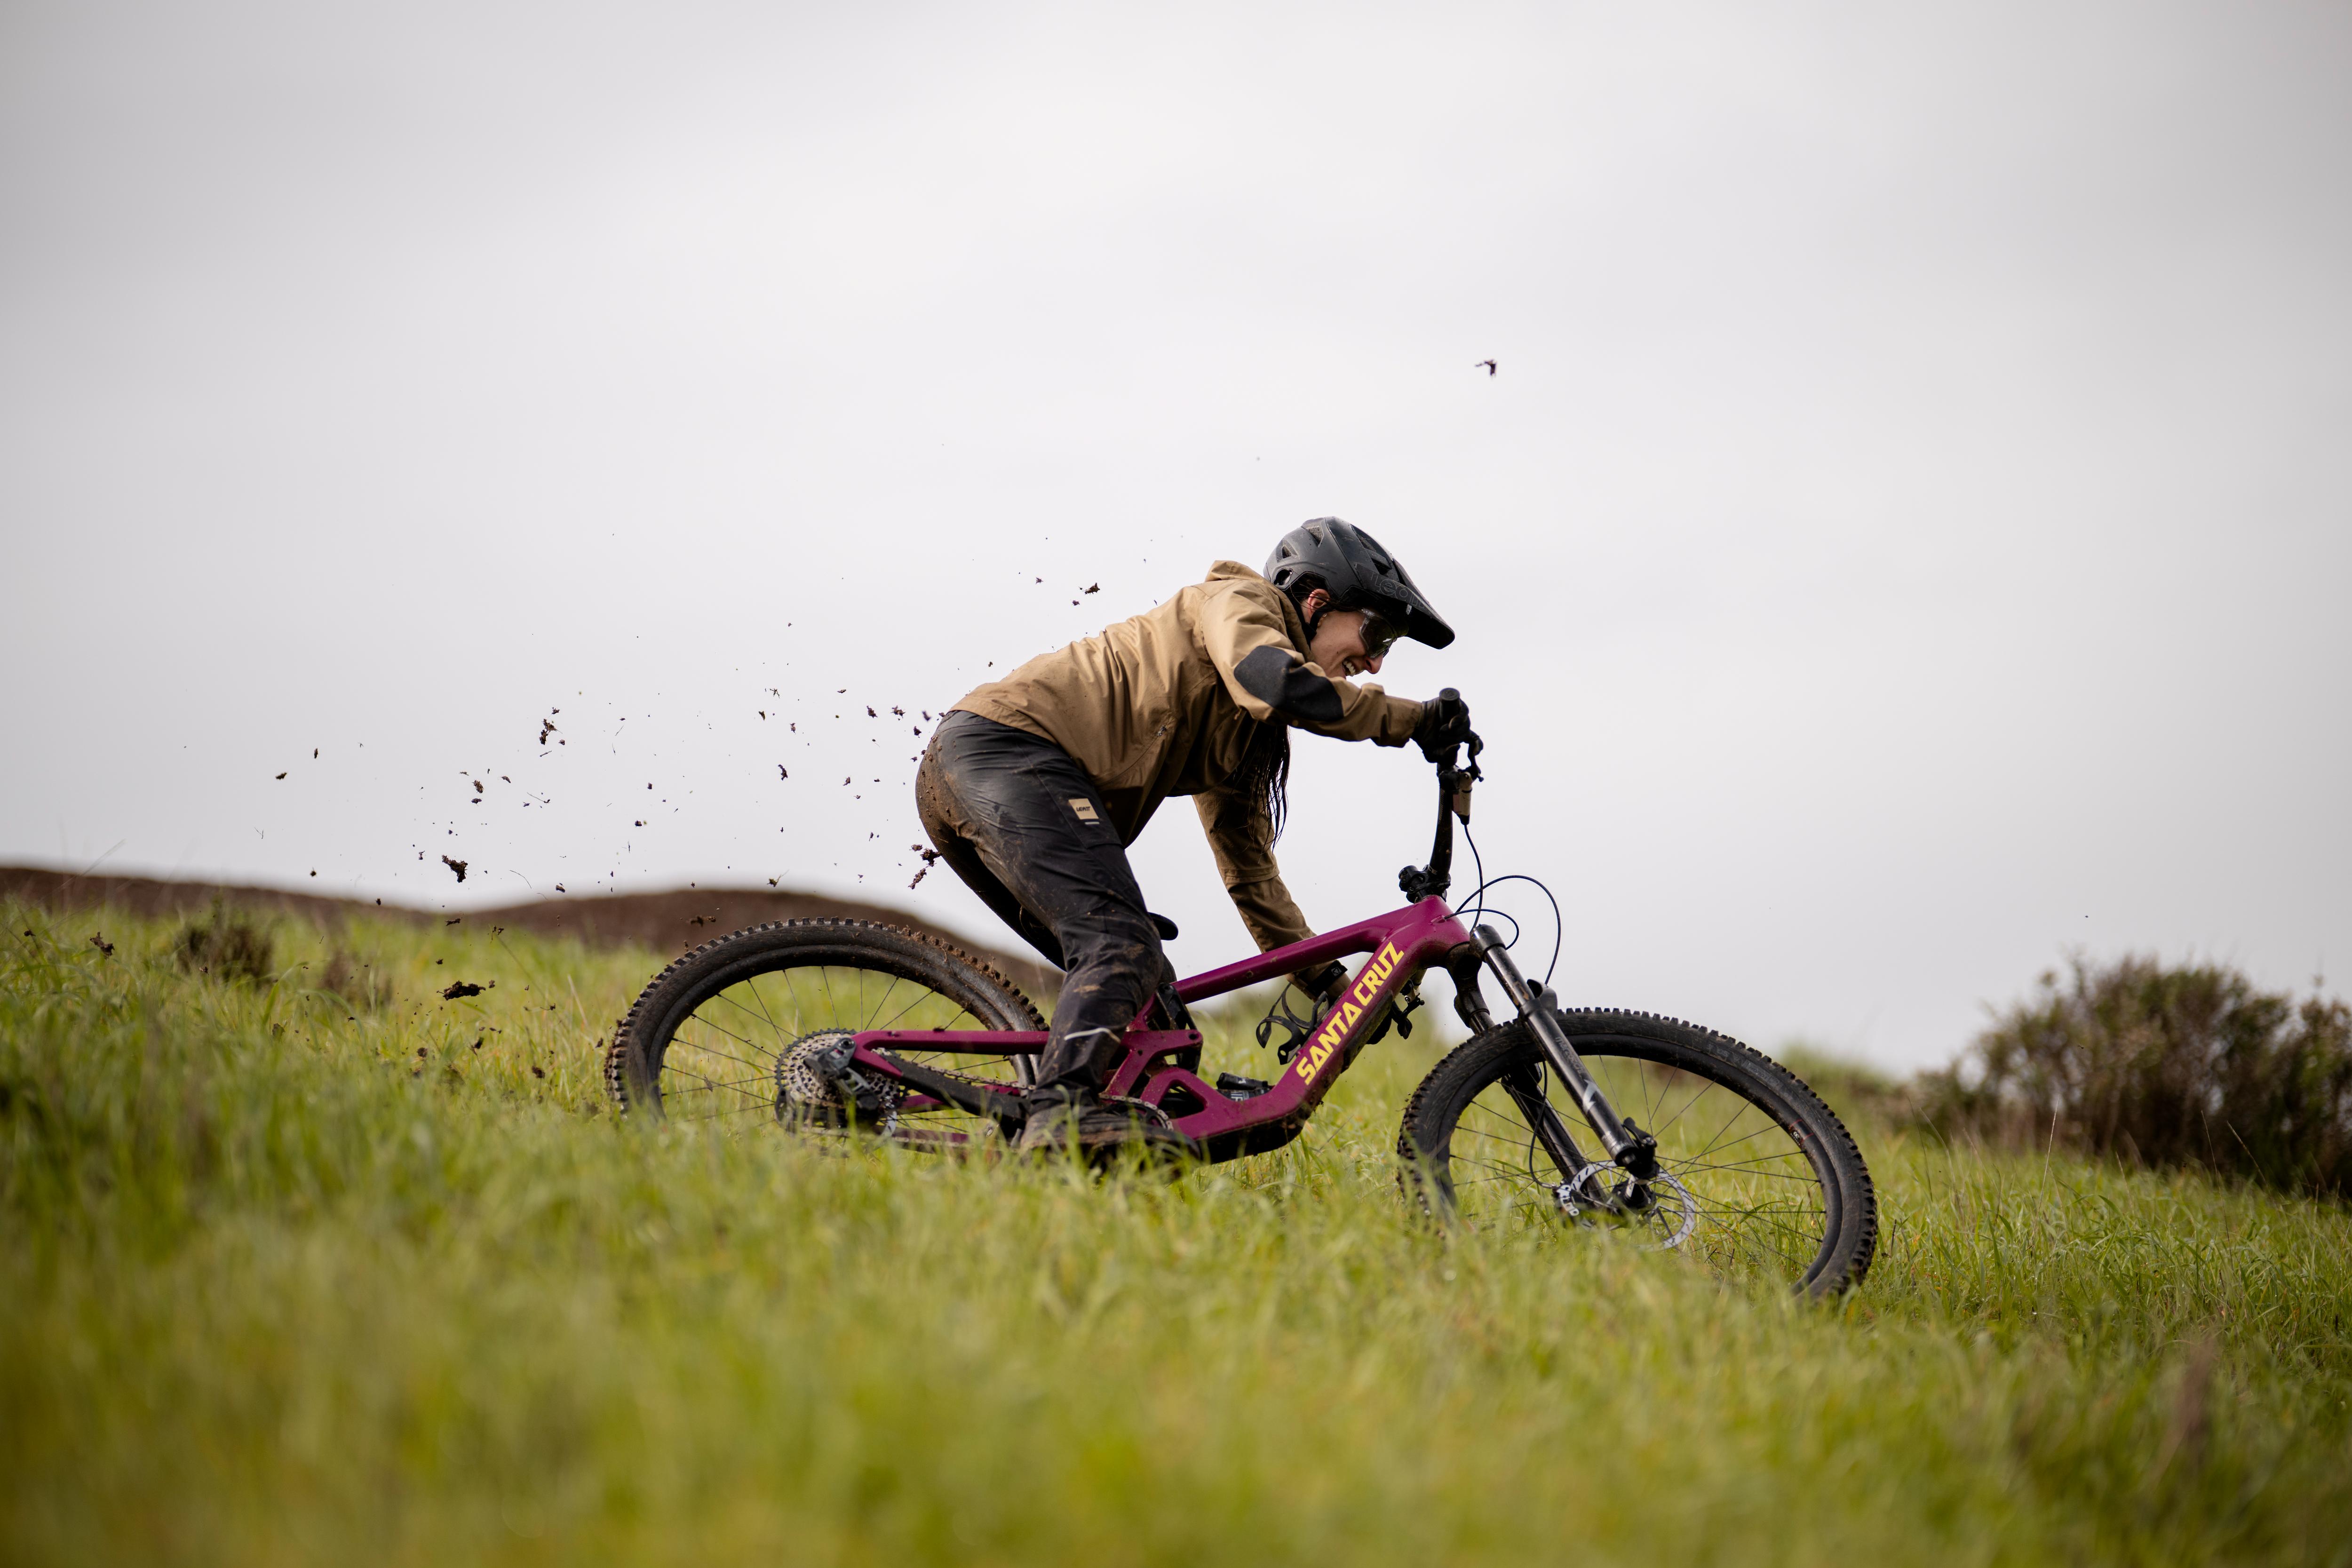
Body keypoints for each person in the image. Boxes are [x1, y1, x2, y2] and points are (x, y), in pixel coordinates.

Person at [915, 518, 1472, 1155]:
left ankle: (1091, 1174)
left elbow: (1250, 872)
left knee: (1160, 1031)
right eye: (1374, 634)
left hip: (992, 772)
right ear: (1316, 601)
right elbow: (1276, 680)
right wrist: (1414, 719)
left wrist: (1326, 981)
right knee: (1119, 945)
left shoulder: (1239, 728)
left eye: (1386, 651)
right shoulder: (1239, 603)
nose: (1374, 661)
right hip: (1004, 752)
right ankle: (1058, 1113)